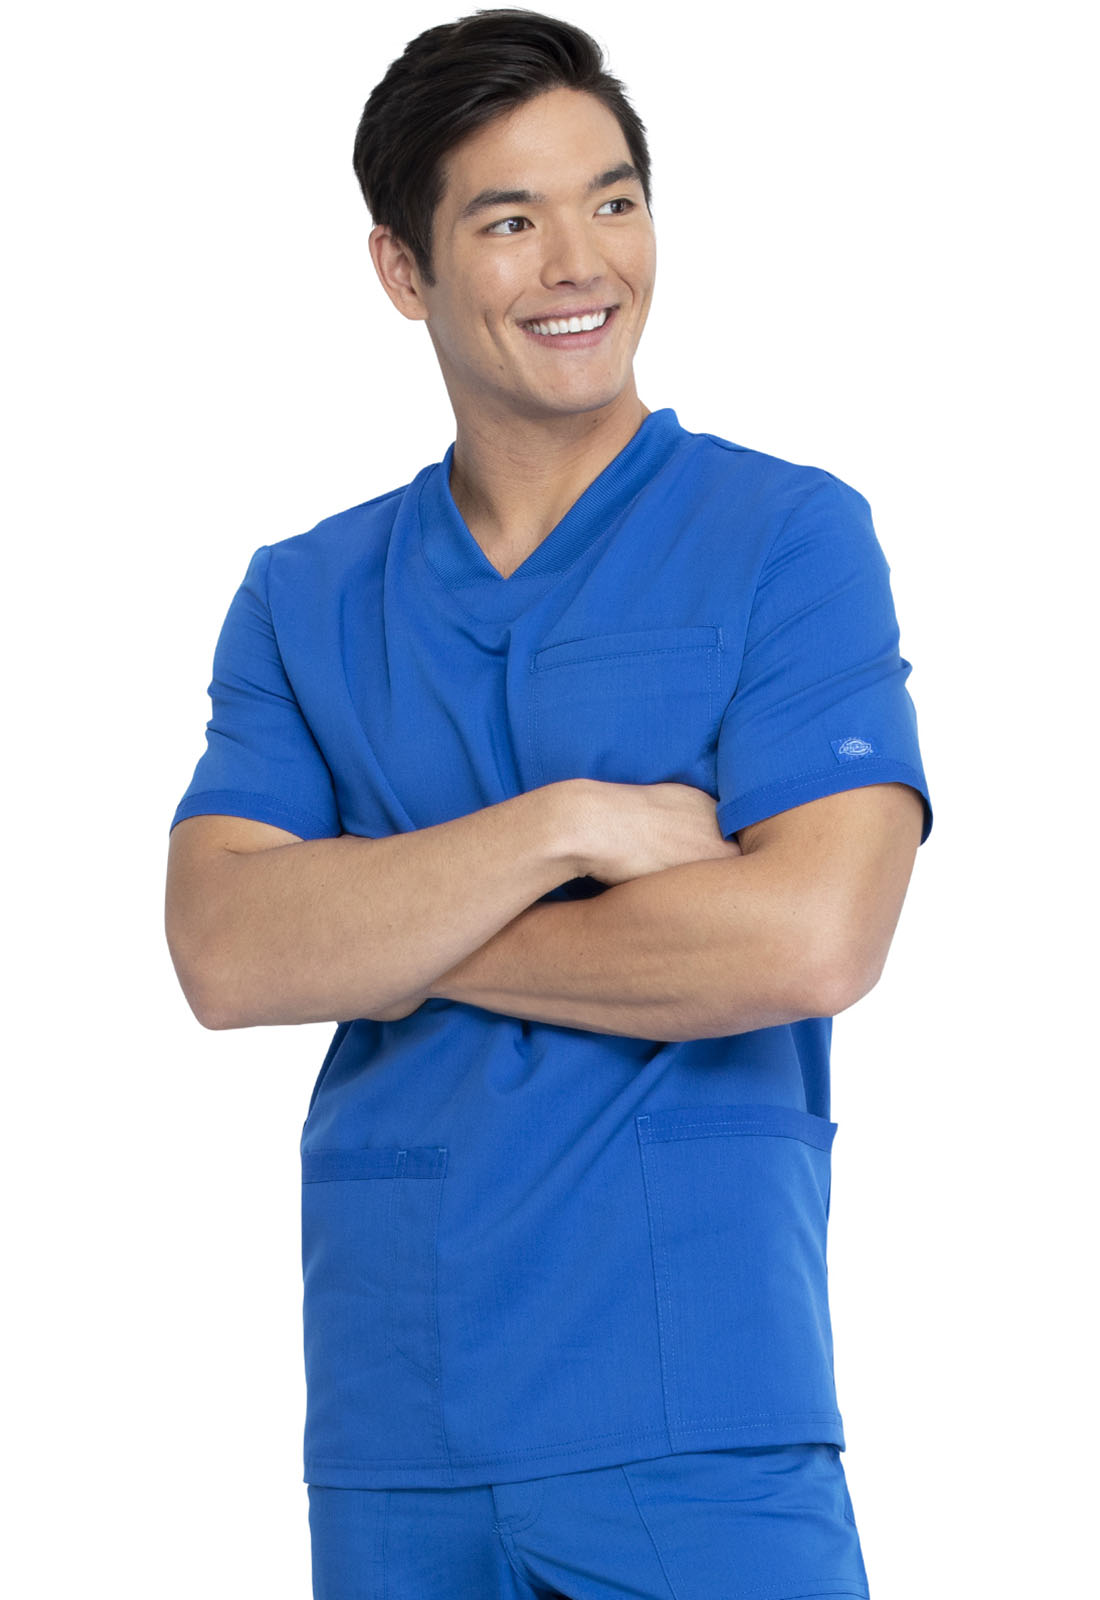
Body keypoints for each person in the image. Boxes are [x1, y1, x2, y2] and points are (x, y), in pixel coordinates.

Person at [165, 9, 933, 1597]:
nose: (582, 264)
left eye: (615, 201)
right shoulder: (306, 595)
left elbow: (810, 939)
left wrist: (382, 928)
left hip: (700, 1402)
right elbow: (227, 954)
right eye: (509, 222)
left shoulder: (786, 537)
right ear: (403, 270)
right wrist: (566, 825)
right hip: (399, 1408)